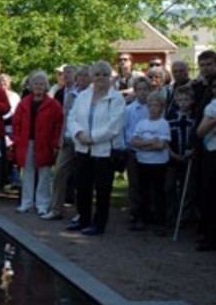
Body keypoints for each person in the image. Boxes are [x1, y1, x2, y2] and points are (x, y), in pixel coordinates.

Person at [66, 60, 126, 236]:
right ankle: (83, 219)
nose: (101, 78)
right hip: (82, 149)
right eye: (97, 74)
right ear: (92, 76)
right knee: (82, 187)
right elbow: (72, 118)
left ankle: (99, 224)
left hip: (104, 151)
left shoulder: (116, 98)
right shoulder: (83, 96)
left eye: (104, 75)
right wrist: (79, 134)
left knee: (102, 189)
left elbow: (114, 125)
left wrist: (93, 138)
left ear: (110, 77)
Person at [11, 71, 63, 216]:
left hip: (45, 143)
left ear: (46, 85)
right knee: (27, 173)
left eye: (41, 83)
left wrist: (55, 144)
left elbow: (58, 126)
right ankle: (26, 203)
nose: (38, 86)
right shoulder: (24, 103)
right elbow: (16, 123)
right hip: (27, 143)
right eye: (36, 83)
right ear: (31, 86)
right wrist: (17, 139)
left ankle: (42, 204)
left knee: (45, 174)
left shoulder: (53, 105)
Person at [42, 65, 80, 220]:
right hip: (65, 138)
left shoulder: (83, 93)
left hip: (81, 139)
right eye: (64, 73)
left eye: (69, 72)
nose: (66, 75)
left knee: (80, 176)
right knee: (59, 173)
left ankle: (80, 211)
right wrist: (59, 139)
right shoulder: (58, 93)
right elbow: (60, 118)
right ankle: (56, 208)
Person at [129, 92, 171, 234]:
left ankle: (161, 222)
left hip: (159, 163)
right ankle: (141, 218)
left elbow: (161, 145)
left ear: (161, 108)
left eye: (157, 106)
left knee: (159, 192)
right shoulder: (142, 124)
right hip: (143, 161)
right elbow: (133, 142)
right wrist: (150, 142)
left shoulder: (164, 124)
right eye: (151, 105)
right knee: (143, 191)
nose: (153, 108)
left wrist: (143, 144)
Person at [165, 85, 197, 228]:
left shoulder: (196, 117)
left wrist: (192, 150)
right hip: (173, 157)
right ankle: (170, 214)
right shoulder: (170, 117)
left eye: (186, 99)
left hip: (189, 157)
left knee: (187, 188)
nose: (183, 102)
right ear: (176, 100)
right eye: (180, 100)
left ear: (192, 101)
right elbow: (165, 139)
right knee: (169, 186)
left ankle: (183, 218)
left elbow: (198, 137)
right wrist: (173, 154)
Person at [123, 77, 151, 223]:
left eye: (145, 89)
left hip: (151, 150)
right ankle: (134, 212)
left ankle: (147, 211)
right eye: (139, 89)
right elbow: (125, 129)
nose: (142, 93)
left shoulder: (153, 108)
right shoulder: (129, 110)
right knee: (134, 183)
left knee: (147, 182)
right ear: (135, 91)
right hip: (133, 150)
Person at [195, 78, 216, 251]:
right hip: (213, 153)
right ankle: (209, 236)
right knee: (210, 196)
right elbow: (201, 131)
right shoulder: (212, 106)